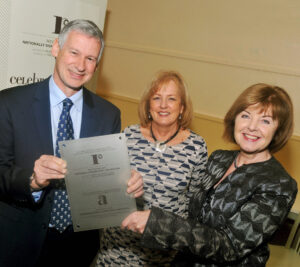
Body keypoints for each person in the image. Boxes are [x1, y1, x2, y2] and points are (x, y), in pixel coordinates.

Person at [0, 19, 143, 267]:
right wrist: (32, 180)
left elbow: (102, 181)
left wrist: (127, 186)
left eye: (90, 58)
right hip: (19, 242)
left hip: (78, 247)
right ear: (56, 48)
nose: (80, 65)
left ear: (97, 65)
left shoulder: (108, 114)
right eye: (74, 52)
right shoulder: (10, 103)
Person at [122, 83, 298, 266]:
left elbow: (229, 246)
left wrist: (157, 223)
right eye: (246, 115)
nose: (252, 127)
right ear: (235, 118)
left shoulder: (279, 185)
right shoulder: (219, 158)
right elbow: (191, 215)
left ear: (278, 130)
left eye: (265, 121)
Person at [96, 71, 208, 266]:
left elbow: (194, 204)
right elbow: (108, 185)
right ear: (148, 105)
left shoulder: (196, 147)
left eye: (171, 99)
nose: (163, 105)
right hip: (118, 247)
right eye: (157, 98)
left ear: (182, 107)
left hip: (162, 252)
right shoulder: (129, 135)